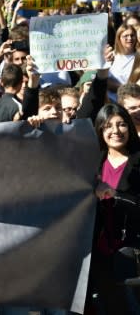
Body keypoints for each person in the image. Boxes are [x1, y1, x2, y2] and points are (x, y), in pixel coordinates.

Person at [91, 103, 140, 315]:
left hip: (133, 253)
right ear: (100, 130)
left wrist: (115, 195)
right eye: (108, 126)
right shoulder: (92, 163)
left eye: (121, 125)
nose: (116, 131)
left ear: (130, 127)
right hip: (100, 253)